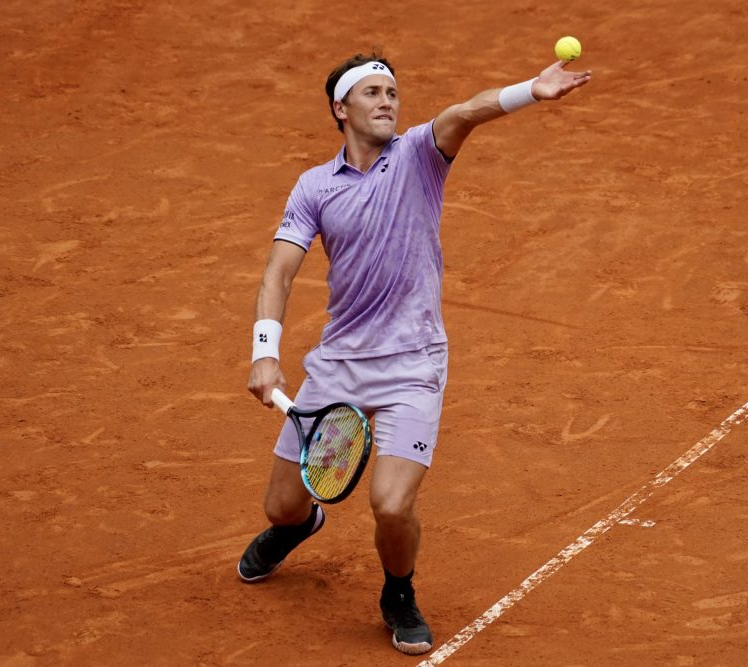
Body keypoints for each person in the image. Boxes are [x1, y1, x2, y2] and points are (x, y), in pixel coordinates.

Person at [238, 50, 591, 655]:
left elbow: (465, 112)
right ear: (340, 108)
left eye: (393, 93)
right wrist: (264, 351)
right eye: (372, 93)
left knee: (391, 504)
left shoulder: (420, 156)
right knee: (281, 507)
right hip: (338, 365)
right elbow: (279, 273)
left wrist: (530, 90)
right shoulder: (314, 186)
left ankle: (398, 592)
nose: (387, 102)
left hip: (412, 364)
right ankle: (301, 525)